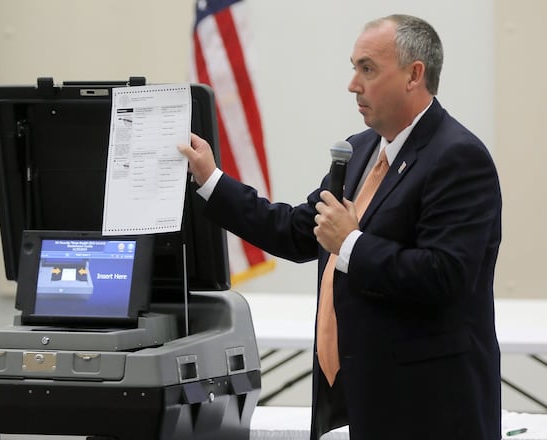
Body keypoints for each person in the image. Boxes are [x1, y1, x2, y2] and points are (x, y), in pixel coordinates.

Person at [178, 14, 502, 440]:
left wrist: (350, 243)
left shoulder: (458, 158)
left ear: (413, 75)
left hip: (428, 408)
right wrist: (211, 180)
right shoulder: (360, 150)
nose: (353, 84)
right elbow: (294, 231)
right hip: (358, 398)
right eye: (354, 68)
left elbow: (445, 276)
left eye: (367, 69)